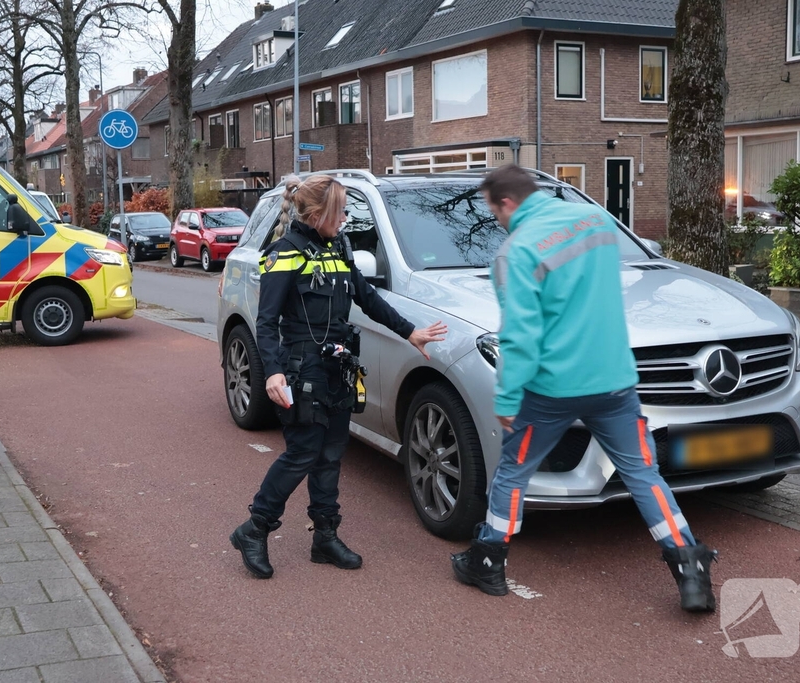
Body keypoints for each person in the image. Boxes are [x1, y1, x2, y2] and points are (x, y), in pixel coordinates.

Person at [450, 165, 717, 612]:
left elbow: (519, 333)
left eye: (493, 209)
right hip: (614, 379)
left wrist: (508, 396)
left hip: (552, 389)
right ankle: (690, 568)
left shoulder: (514, 254)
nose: (496, 218)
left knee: (513, 471)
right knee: (643, 474)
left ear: (507, 202)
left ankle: (487, 559)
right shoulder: (593, 221)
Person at [230, 174, 447, 579]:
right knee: (302, 454)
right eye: (341, 209)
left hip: (338, 367)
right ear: (317, 214)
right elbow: (266, 322)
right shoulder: (284, 253)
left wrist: (410, 332)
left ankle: (324, 537)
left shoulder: (339, 248)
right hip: (302, 369)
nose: (346, 217)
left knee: (331, 454)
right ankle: (254, 529)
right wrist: (274, 373)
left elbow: (367, 297)